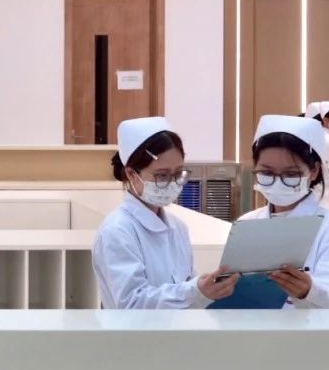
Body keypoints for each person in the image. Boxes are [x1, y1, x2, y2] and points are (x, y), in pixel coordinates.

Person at [92, 117, 237, 308]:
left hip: (176, 327)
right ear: (131, 174)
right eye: (162, 175)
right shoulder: (117, 231)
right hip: (132, 328)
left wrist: (205, 289)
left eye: (178, 174)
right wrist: (195, 292)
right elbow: (132, 303)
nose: (172, 183)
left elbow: (186, 288)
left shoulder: (178, 227)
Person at [237, 115, 329, 309]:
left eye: (291, 175)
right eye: (266, 173)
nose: (278, 181)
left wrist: (310, 291)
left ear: (314, 171)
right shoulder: (247, 223)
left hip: (308, 328)